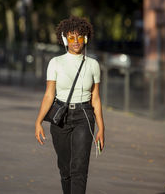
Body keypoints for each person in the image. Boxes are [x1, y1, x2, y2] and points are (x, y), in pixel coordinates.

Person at [35, 15, 105, 194]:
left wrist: (101, 128)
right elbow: (49, 94)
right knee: (65, 169)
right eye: (71, 37)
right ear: (65, 39)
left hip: (84, 116)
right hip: (61, 118)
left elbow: (95, 97)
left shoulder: (93, 65)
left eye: (80, 36)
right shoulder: (55, 63)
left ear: (85, 38)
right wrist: (38, 122)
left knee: (79, 169)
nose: (76, 41)